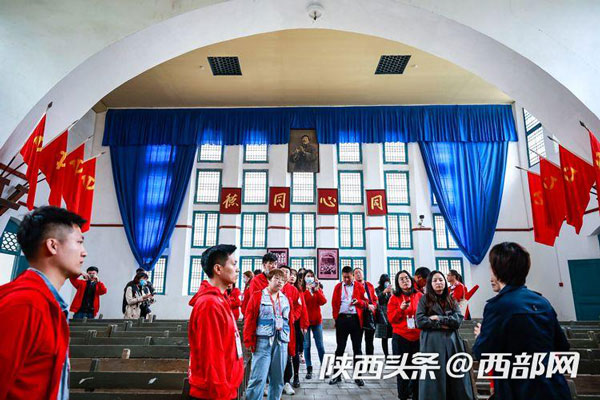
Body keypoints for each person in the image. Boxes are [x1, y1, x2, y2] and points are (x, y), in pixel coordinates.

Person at [0, 206, 87, 399]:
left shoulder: (47, 303)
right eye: (79, 242)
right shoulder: (24, 304)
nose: (84, 252)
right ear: (53, 245)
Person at [472, 242, 571, 400]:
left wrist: (480, 336)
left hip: (519, 389)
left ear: (498, 270)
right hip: (553, 386)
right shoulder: (542, 302)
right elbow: (561, 346)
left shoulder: (498, 306)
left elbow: (483, 353)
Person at [188, 244, 244, 400]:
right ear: (218, 269)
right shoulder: (209, 304)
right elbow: (212, 358)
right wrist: (222, 394)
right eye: (234, 264)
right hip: (214, 393)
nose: (237, 269)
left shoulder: (221, 299)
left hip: (225, 389)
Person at [415, 271, 473, 400]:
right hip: (432, 344)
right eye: (435, 280)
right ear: (430, 283)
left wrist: (439, 319)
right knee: (434, 379)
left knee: (455, 377)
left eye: (441, 280)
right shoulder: (424, 299)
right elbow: (420, 321)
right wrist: (444, 324)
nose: (438, 283)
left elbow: (458, 320)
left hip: (452, 343)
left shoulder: (451, 299)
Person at [244, 269, 291, 400]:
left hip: (281, 341)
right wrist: (248, 340)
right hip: (262, 341)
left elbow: (289, 322)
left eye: (282, 280)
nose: (280, 282)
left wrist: (290, 344)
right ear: (269, 280)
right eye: (277, 278)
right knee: (258, 378)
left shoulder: (285, 299)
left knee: (278, 379)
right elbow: (249, 319)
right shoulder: (258, 296)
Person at [329, 266, 367, 387]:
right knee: (340, 348)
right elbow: (334, 303)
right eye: (344, 277)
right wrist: (336, 318)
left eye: (348, 277)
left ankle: (358, 376)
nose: (346, 279)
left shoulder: (360, 286)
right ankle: (337, 375)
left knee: (357, 348)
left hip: (356, 320)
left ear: (353, 276)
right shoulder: (338, 287)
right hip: (342, 320)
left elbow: (366, 302)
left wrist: (359, 302)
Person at [388, 270, 423, 400]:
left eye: (407, 278)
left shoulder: (420, 295)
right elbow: (391, 319)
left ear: (411, 280)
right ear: (397, 283)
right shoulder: (394, 298)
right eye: (401, 279)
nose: (405, 281)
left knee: (417, 370)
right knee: (403, 370)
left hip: (418, 338)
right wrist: (400, 309)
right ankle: (403, 396)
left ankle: (416, 395)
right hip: (401, 337)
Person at [280, 266, 308, 394]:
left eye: (287, 272)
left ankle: (289, 380)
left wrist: (293, 317)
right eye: (283, 272)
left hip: (291, 326)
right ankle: (275, 382)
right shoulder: (271, 287)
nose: (286, 274)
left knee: (291, 353)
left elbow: (299, 306)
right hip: (274, 327)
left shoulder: (293, 290)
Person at [301, 269, 327, 379]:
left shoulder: (317, 288)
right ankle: (309, 368)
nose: (310, 278)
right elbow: (302, 303)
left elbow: (323, 301)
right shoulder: (301, 289)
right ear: (304, 278)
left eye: (311, 276)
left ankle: (324, 367)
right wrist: (307, 290)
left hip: (317, 321)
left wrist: (316, 290)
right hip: (305, 322)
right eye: (308, 276)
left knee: (320, 345)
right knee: (306, 345)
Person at [354, 268, 378, 356]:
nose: (358, 274)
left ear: (363, 274)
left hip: (370, 316)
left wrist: (374, 306)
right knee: (357, 341)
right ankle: (358, 361)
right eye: (356, 273)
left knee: (369, 341)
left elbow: (375, 298)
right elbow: (355, 300)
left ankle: (369, 360)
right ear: (353, 276)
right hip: (358, 316)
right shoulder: (353, 286)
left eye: (359, 272)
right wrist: (367, 305)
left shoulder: (369, 285)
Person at [374, 273, 393, 356]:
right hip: (382, 315)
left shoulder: (391, 290)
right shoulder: (377, 289)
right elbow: (376, 299)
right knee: (384, 337)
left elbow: (393, 300)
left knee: (393, 335)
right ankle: (386, 355)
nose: (386, 283)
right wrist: (384, 292)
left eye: (388, 281)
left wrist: (391, 292)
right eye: (385, 281)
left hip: (391, 314)